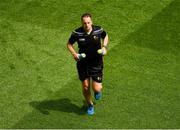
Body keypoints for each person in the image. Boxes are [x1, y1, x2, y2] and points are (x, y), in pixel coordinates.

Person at [67, 13, 109, 115]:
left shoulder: (98, 30)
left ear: (92, 22)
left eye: (88, 22)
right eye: (84, 23)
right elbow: (69, 44)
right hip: (83, 63)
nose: (86, 25)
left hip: (96, 63)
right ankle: (90, 105)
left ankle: (97, 91)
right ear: (82, 23)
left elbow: (105, 36)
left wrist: (104, 47)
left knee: (96, 88)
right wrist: (74, 54)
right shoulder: (77, 33)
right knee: (85, 86)